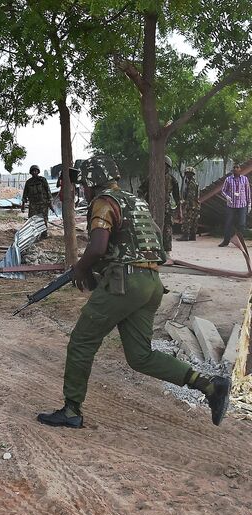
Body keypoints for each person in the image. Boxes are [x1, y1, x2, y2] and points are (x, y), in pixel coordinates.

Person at [37, 155, 231, 429]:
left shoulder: (104, 203)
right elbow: (147, 243)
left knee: (82, 342)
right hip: (150, 283)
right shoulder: (135, 201)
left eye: (84, 183)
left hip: (125, 282)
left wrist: (80, 269)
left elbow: (97, 248)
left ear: (92, 181)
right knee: (140, 356)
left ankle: (71, 410)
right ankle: (209, 386)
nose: (83, 188)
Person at [138, 156, 181, 254]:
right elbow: (141, 190)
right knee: (149, 228)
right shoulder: (151, 177)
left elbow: (177, 197)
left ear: (168, 167)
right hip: (151, 208)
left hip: (166, 209)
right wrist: (142, 202)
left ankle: (166, 252)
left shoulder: (172, 180)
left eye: (164, 166)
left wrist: (180, 211)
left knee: (167, 230)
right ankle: (151, 250)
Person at [218, 164, 250, 247]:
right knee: (228, 223)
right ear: (232, 170)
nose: (236, 169)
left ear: (240, 169)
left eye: (237, 167)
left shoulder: (244, 179)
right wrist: (227, 197)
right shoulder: (228, 179)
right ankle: (226, 241)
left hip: (242, 204)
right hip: (231, 205)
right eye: (234, 168)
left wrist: (249, 203)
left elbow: (247, 191)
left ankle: (240, 242)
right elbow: (223, 191)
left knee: (242, 223)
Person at [21, 165, 52, 239]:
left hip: (43, 203)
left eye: (36, 171)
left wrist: (50, 202)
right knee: (32, 220)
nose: (34, 172)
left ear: (38, 172)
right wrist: (23, 205)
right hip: (33, 205)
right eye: (33, 171)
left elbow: (48, 191)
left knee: (44, 219)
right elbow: (25, 194)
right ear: (31, 172)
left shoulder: (42, 180)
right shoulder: (28, 182)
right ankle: (33, 235)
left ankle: (44, 234)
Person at [177, 167, 200, 242]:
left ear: (192, 174)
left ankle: (185, 235)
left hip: (191, 204)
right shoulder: (192, 182)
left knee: (187, 219)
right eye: (186, 173)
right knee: (194, 220)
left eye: (188, 173)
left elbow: (190, 195)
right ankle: (192, 236)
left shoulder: (191, 183)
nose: (187, 175)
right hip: (194, 204)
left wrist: (185, 203)